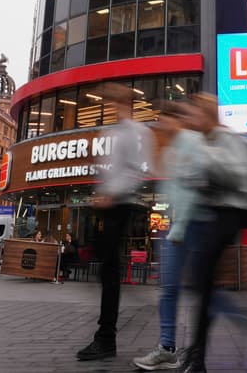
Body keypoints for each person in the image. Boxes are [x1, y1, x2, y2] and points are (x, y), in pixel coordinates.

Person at [179, 93, 247, 373]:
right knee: (205, 288)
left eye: (194, 114)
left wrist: (206, 164)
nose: (190, 120)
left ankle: (201, 358)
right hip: (218, 214)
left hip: (230, 215)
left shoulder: (226, 138)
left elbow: (243, 178)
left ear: (207, 114)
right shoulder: (208, 140)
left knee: (203, 285)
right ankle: (202, 357)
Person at [76, 83, 153, 362]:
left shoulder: (135, 132)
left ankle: (106, 337)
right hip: (109, 205)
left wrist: (112, 194)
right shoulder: (114, 131)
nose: (111, 104)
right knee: (105, 270)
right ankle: (106, 334)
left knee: (108, 272)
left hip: (120, 206)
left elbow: (137, 170)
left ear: (126, 101)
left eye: (116, 100)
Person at [132, 101, 208, 370]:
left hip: (193, 226)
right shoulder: (173, 148)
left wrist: (179, 225)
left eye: (165, 120)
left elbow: (196, 188)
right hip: (177, 228)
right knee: (170, 290)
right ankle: (168, 348)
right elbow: (173, 191)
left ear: (177, 119)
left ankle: (193, 354)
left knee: (207, 295)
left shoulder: (191, 142)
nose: (162, 125)